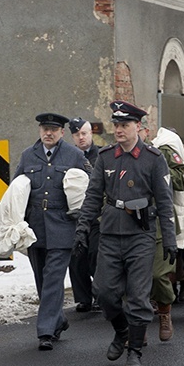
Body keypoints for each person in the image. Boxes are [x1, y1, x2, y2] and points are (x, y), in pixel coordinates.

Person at [74, 101, 177, 366]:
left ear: (138, 127)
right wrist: (83, 228)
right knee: (105, 293)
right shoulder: (106, 157)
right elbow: (93, 196)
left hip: (140, 235)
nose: (119, 130)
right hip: (110, 232)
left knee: (139, 296)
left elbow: (165, 202)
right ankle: (121, 331)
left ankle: (135, 350)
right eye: (116, 125)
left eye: (125, 125)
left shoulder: (154, 159)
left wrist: (169, 239)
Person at [14, 112, 90, 351]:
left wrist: (83, 219)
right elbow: (17, 189)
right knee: (42, 280)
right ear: (40, 130)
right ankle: (58, 320)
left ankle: (45, 332)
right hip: (35, 227)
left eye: (53, 129)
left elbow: (91, 186)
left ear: (61, 132)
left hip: (63, 225)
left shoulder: (74, 155)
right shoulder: (28, 155)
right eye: (44, 129)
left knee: (54, 279)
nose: (48, 133)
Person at [149, 124, 184, 342]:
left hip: (157, 221)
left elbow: (182, 179)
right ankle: (134, 327)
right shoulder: (115, 154)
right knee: (128, 280)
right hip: (127, 224)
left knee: (158, 275)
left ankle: (165, 312)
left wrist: (159, 176)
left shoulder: (163, 150)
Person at [67, 117, 101, 313]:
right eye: (77, 134)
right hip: (74, 216)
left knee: (96, 254)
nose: (81, 138)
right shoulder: (68, 157)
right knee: (76, 256)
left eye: (84, 133)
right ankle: (83, 298)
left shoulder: (102, 155)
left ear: (91, 134)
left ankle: (99, 293)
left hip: (96, 216)